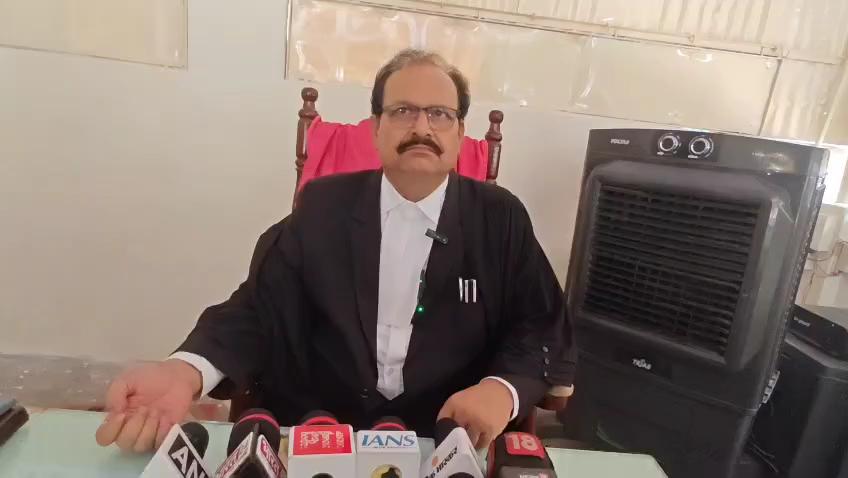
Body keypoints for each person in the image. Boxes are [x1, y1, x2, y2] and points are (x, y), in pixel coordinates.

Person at [95, 49, 575, 453]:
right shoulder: (323, 206)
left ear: (459, 133)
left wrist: (500, 391)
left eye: (439, 114)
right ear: (376, 127)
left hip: (444, 436)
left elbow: (539, 323)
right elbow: (259, 310)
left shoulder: (499, 218)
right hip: (321, 429)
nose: (421, 126)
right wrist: (186, 370)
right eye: (402, 111)